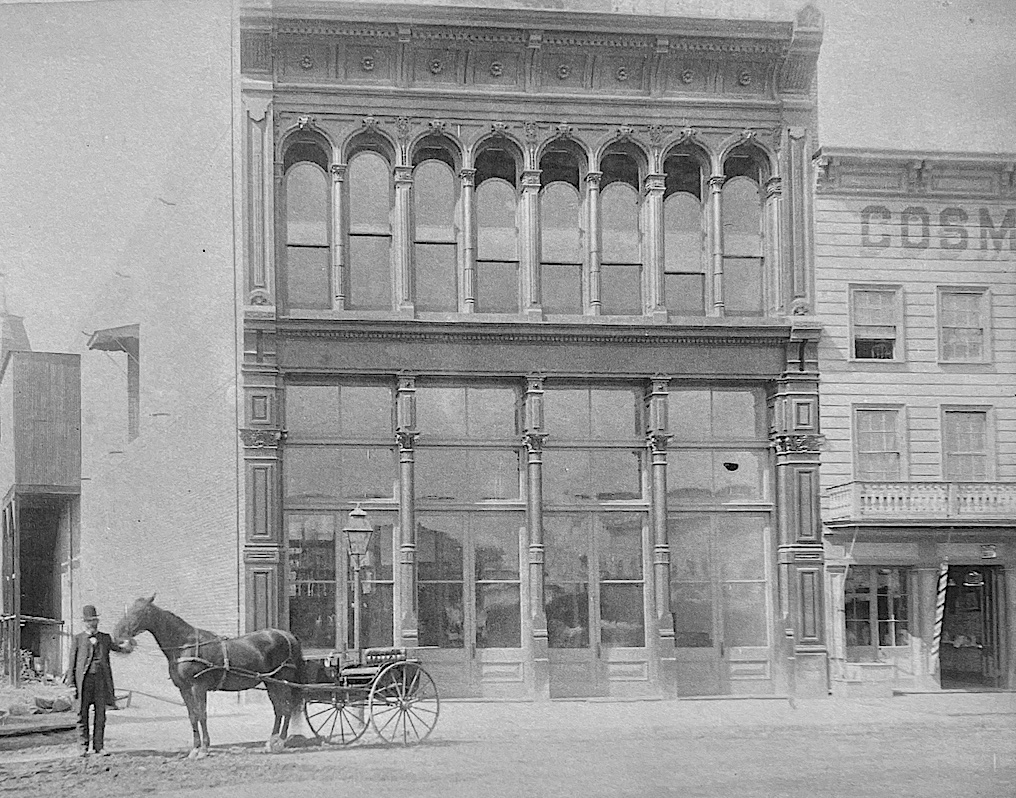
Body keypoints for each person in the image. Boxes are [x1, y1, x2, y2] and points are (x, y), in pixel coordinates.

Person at [65, 605, 131, 757]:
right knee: (82, 714)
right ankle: (82, 747)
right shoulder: (78, 639)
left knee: (100, 715)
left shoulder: (105, 638)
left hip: (101, 682)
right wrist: (71, 684)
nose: (92, 624)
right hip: (84, 683)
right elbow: (72, 663)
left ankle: (99, 746)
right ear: (84, 622)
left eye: (94, 621)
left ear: (97, 621)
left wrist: (127, 646)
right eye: (89, 621)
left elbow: (118, 649)